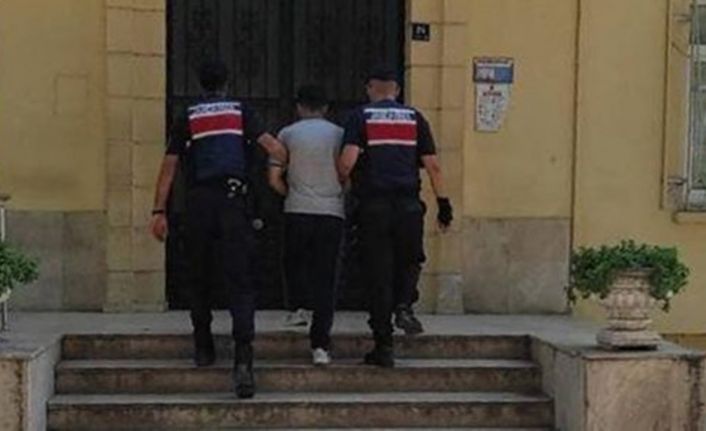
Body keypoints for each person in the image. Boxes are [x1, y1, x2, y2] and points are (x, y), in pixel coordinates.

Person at [150, 59, 285, 398]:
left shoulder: (189, 116)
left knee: (199, 276)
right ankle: (243, 362)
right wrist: (274, 176)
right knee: (241, 282)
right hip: (233, 204)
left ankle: (203, 346)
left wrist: (159, 210)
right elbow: (275, 148)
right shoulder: (242, 112)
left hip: (198, 205)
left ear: (201, 84)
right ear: (227, 83)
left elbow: (169, 166)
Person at [338, 67, 453, 368]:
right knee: (410, 260)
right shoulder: (415, 118)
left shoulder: (360, 117)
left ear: (369, 89)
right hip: (408, 207)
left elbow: (348, 161)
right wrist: (444, 204)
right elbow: (433, 166)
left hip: (373, 207)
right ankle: (404, 304)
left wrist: (344, 187)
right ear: (397, 91)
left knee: (378, 274)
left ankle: (384, 345)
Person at [269, 85, 345, 366]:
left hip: (297, 209)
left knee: (294, 261)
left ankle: (297, 308)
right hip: (331, 211)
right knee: (326, 277)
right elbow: (348, 170)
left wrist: (289, 193)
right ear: (326, 108)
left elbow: (273, 178)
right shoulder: (340, 134)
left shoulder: (287, 134)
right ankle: (320, 345)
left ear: (299, 107)